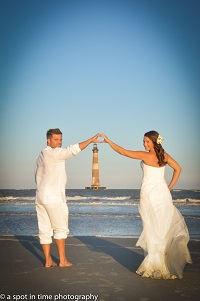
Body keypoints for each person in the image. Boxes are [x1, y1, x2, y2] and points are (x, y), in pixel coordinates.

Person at [101, 131, 192, 279]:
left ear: (155, 142)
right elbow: (178, 169)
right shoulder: (165, 156)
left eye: (147, 142)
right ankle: (162, 264)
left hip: (149, 195)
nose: (144, 144)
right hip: (163, 195)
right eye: (143, 141)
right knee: (162, 230)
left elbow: (123, 152)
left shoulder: (146, 155)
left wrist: (108, 140)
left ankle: (154, 263)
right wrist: (168, 187)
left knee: (150, 228)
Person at [35, 128, 101, 268]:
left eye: (60, 140)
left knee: (45, 229)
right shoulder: (55, 153)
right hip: (54, 197)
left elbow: (37, 175)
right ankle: (62, 260)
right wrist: (90, 140)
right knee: (61, 228)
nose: (59, 143)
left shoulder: (41, 154)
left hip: (40, 196)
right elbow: (73, 150)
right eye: (56, 140)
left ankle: (48, 260)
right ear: (48, 140)